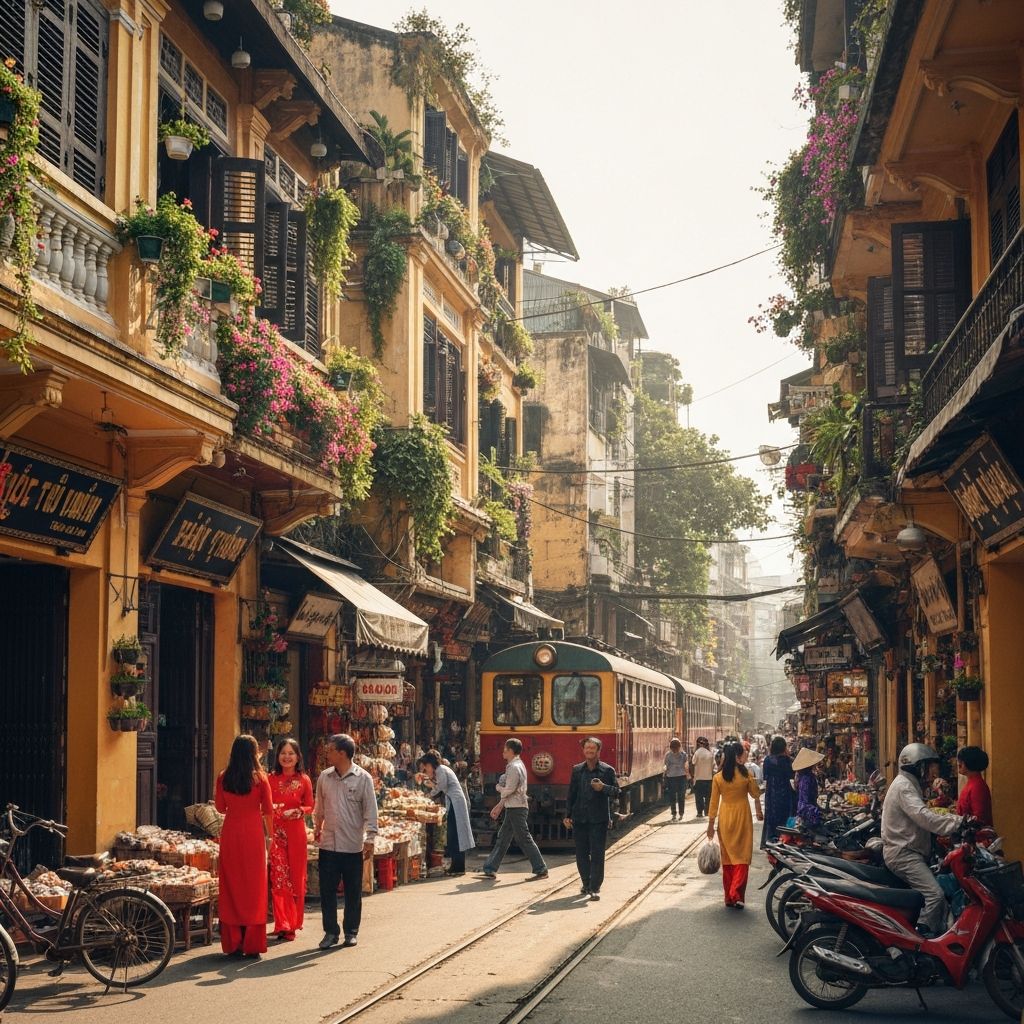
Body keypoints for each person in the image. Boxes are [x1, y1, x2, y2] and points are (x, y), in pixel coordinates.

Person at [882, 743, 964, 936]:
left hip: (909, 850)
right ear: (917, 766)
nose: (930, 772)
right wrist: (959, 822)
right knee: (935, 895)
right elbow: (923, 817)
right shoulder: (904, 786)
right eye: (927, 767)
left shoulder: (908, 783)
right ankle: (924, 941)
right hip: (904, 854)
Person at [313, 733, 378, 949]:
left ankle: (351, 931)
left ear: (342, 753)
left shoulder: (363, 778)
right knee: (327, 891)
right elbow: (319, 808)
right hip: (328, 844)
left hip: (352, 845)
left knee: (352, 891)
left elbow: (370, 811)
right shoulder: (324, 777)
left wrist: (370, 839)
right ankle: (330, 932)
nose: (327, 753)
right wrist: (316, 827)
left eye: (330, 749)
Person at [215, 734, 274, 957]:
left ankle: (233, 942)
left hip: (230, 834)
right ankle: (252, 943)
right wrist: (271, 837)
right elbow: (268, 811)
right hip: (253, 835)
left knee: (231, 886)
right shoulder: (260, 778)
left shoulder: (223, 777)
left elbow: (220, 808)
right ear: (253, 753)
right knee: (254, 887)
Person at [479, 738, 548, 880]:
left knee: (523, 838)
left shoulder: (513, 767)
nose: (503, 751)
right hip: (514, 807)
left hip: (516, 808)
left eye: (505, 749)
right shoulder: (518, 765)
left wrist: (498, 788)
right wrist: (499, 806)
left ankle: (541, 869)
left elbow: (509, 790)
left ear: (510, 751)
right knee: (503, 838)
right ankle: (490, 869)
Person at [268, 737, 314, 941]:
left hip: (296, 833)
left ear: (297, 757)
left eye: (291, 753)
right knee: (279, 878)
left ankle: (293, 924)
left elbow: (310, 806)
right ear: (277, 756)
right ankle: (281, 923)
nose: (286, 757)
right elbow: (265, 806)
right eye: (283, 753)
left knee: (296, 877)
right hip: (276, 834)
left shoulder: (304, 779)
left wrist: (298, 811)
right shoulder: (270, 779)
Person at [706, 741, 762, 908]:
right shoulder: (746, 775)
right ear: (738, 757)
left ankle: (729, 898)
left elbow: (713, 803)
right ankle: (736, 894)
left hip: (725, 818)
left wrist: (710, 825)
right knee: (742, 858)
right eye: (743, 754)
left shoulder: (718, 777)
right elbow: (755, 793)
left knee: (728, 859)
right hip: (742, 818)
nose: (746, 756)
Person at [563, 737, 620, 901]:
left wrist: (603, 788)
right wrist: (567, 815)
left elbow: (617, 792)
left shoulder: (607, 771)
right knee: (581, 854)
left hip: (598, 819)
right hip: (579, 818)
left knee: (597, 854)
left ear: (598, 751)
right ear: (584, 751)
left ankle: (595, 887)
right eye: (586, 748)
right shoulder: (577, 770)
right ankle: (586, 883)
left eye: (592, 748)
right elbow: (571, 794)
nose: (589, 751)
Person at [417, 749, 475, 875]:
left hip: (456, 803)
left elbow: (440, 788)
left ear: (431, 764)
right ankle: (456, 865)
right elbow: (438, 786)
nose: (426, 769)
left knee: (455, 834)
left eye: (426, 766)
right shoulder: (440, 770)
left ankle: (458, 867)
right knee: (453, 835)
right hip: (454, 802)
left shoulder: (442, 770)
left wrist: (427, 796)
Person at [760, 735, 795, 848]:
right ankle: (784, 841)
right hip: (785, 793)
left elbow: (765, 776)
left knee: (771, 816)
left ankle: (770, 840)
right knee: (784, 817)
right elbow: (792, 775)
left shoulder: (767, 760)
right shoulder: (788, 761)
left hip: (772, 793)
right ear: (784, 748)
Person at [956, 746, 993, 825]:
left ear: (969, 762)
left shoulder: (978, 786)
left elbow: (979, 819)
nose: (959, 763)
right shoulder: (972, 782)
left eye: (961, 761)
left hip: (975, 835)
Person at [793, 747, 824, 826]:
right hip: (808, 815)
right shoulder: (806, 778)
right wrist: (817, 812)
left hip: (807, 811)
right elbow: (804, 802)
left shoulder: (805, 776)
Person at [663, 737, 690, 821]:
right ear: (680, 746)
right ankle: (681, 814)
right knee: (681, 796)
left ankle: (674, 814)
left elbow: (666, 766)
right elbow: (686, 766)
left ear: (670, 747)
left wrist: (665, 775)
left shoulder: (667, 755)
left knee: (672, 797)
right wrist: (688, 775)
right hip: (681, 778)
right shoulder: (684, 755)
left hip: (671, 778)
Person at [690, 737, 715, 819]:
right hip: (708, 779)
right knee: (708, 797)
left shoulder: (697, 753)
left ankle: (700, 812)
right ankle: (707, 812)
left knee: (699, 797)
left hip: (699, 779)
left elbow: (693, 763)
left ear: (698, 744)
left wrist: (692, 776)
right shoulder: (710, 754)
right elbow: (713, 766)